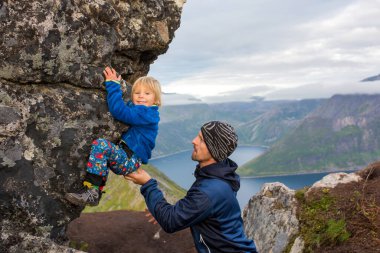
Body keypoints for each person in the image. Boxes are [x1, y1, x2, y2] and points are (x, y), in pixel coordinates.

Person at [126, 121, 258, 253]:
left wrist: (148, 184)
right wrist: (162, 211)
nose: (193, 141)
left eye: (201, 139)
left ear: (214, 150)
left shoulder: (210, 190)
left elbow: (170, 221)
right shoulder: (221, 176)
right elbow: (202, 208)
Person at [65, 67, 161, 206]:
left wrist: (113, 86)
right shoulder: (146, 111)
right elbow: (128, 107)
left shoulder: (146, 113)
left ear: (156, 100)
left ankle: (93, 191)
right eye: (137, 92)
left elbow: (120, 111)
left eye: (147, 93)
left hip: (129, 159)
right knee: (102, 154)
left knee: (100, 145)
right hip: (128, 158)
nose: (141, 96)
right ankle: (95, 191)